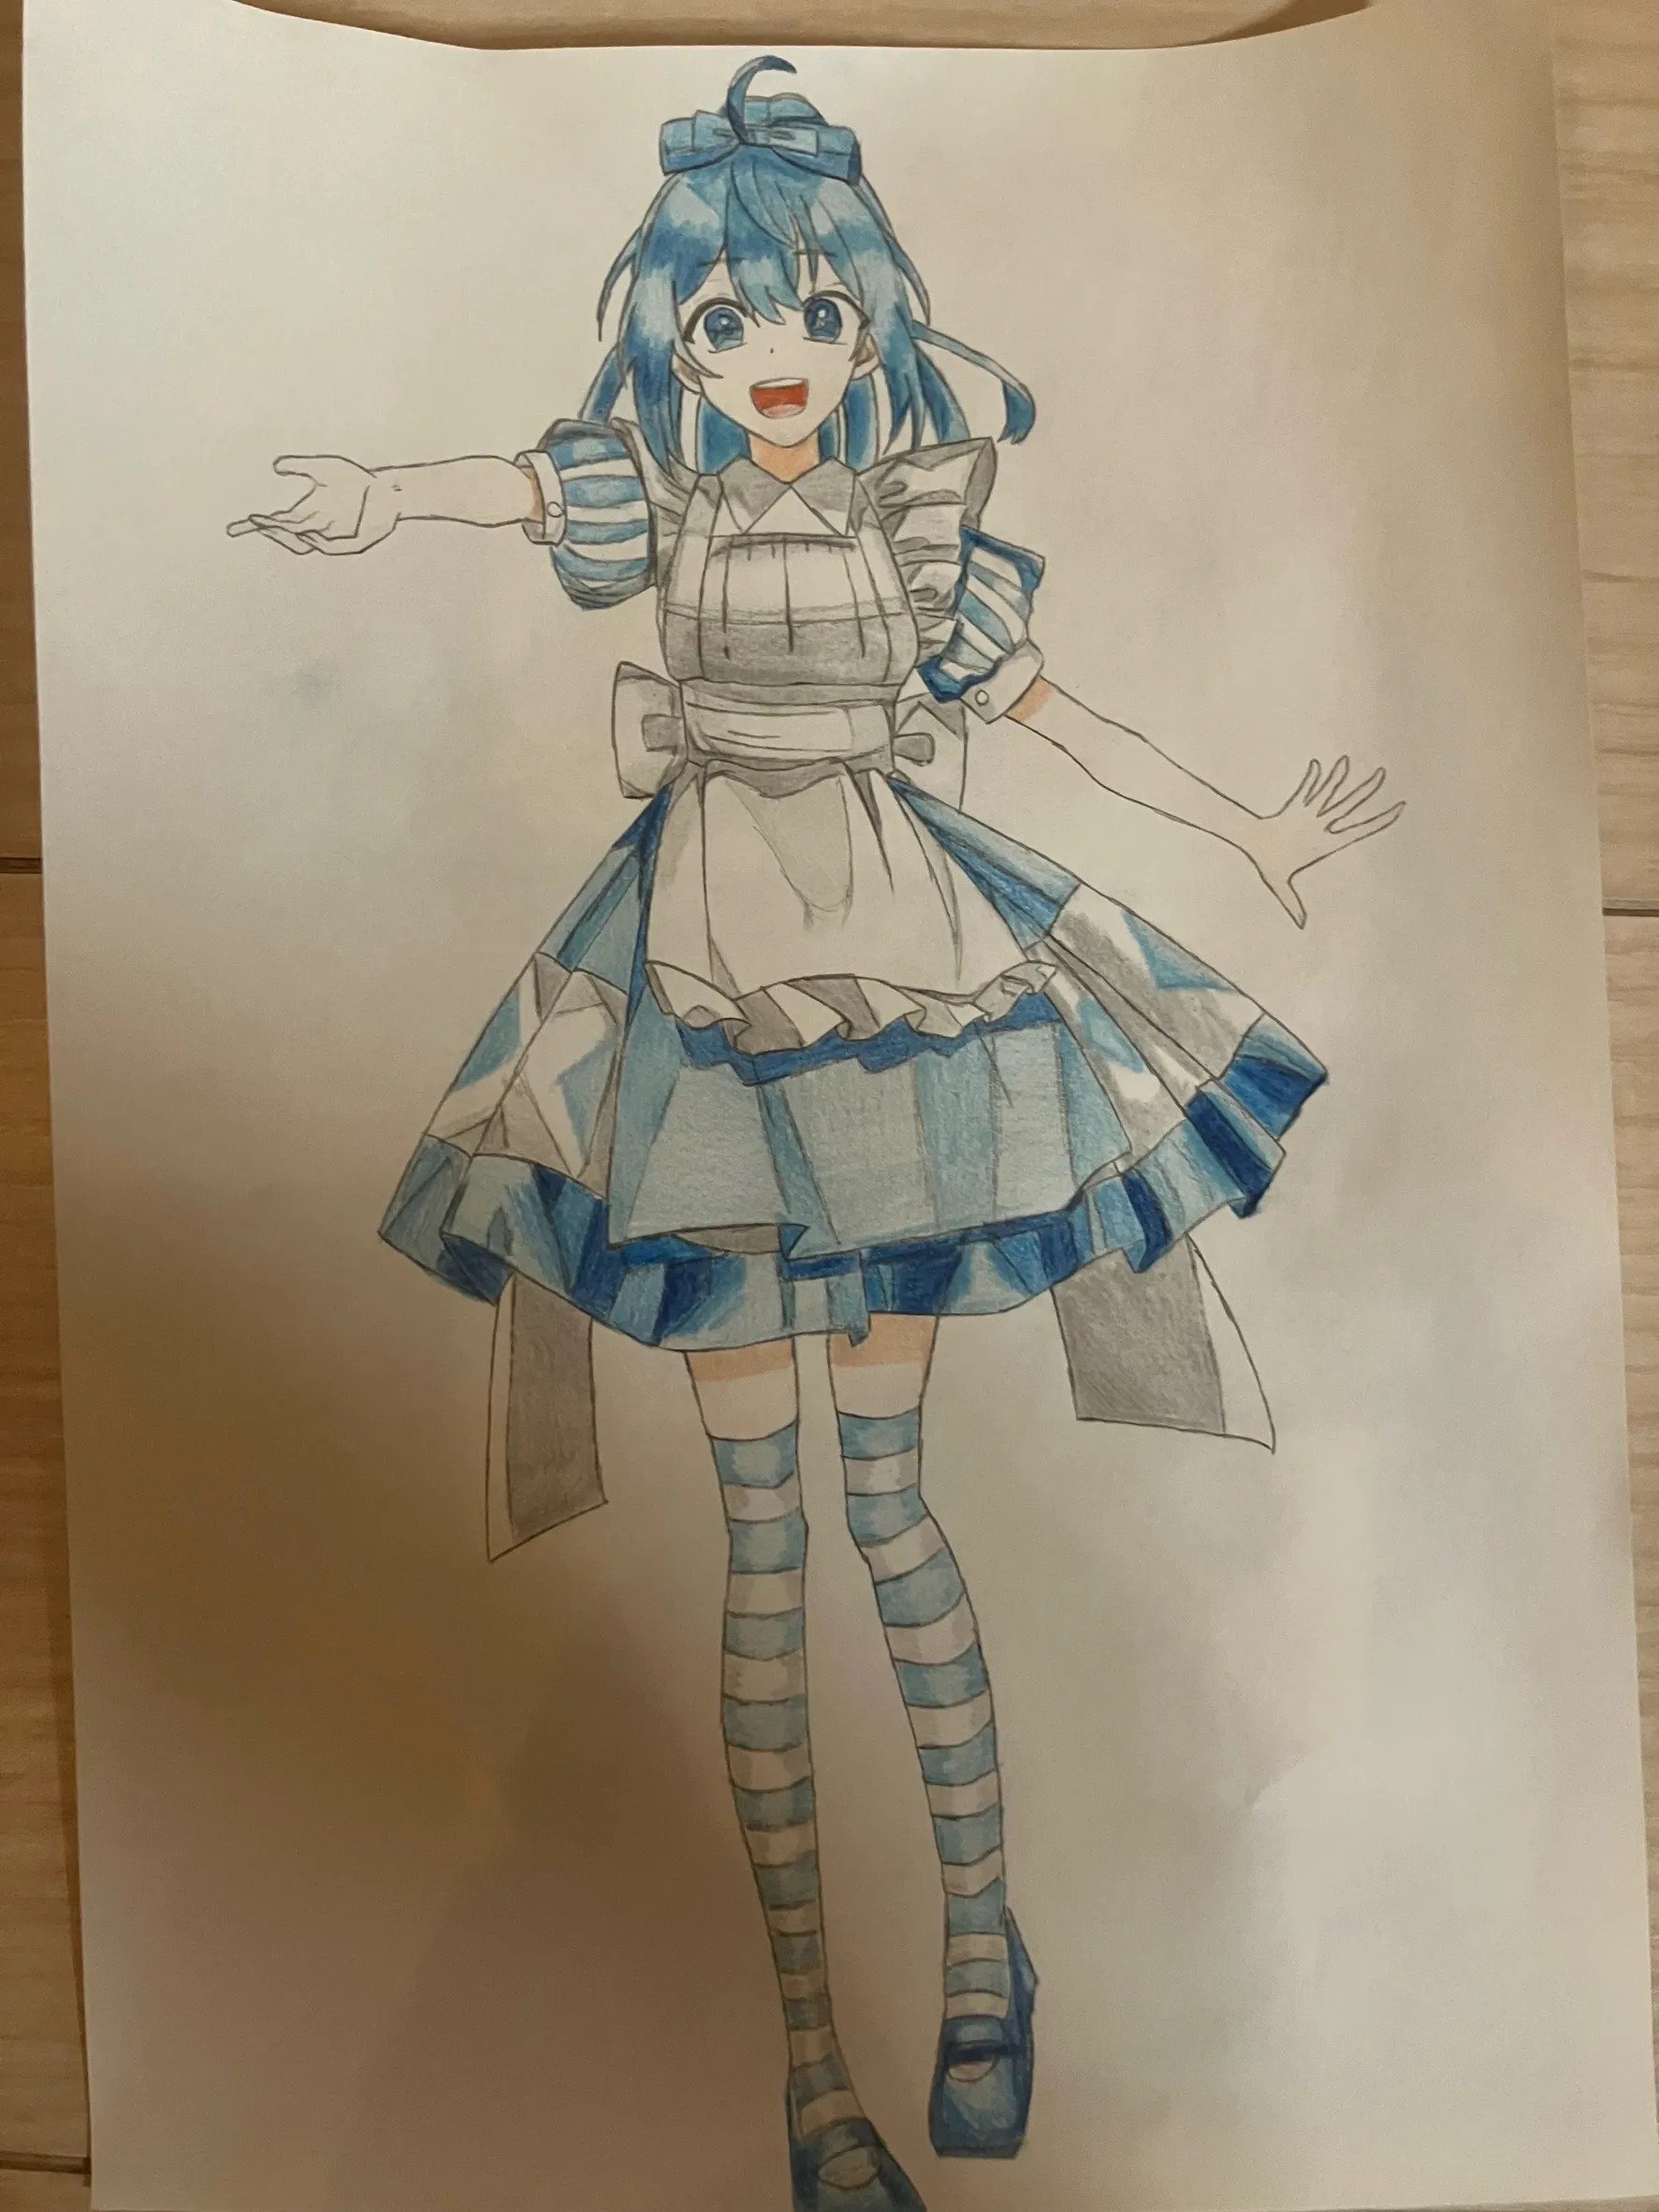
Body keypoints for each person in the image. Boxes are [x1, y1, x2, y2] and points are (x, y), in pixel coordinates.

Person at [232, 55, 1399, 2212]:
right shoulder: (658, 509)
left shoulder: (915, 522)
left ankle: (977, 1962)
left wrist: (1248, 826)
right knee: (759, 1541)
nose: (777, 356)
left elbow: (1050, 711)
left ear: (866, 328)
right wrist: (376, 496)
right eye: (727, 323)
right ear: (676, 350)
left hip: (899, 1000)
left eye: (816, 317)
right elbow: (513, 486)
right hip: (702, 1010)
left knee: (886, 1505)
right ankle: (806, 2061)